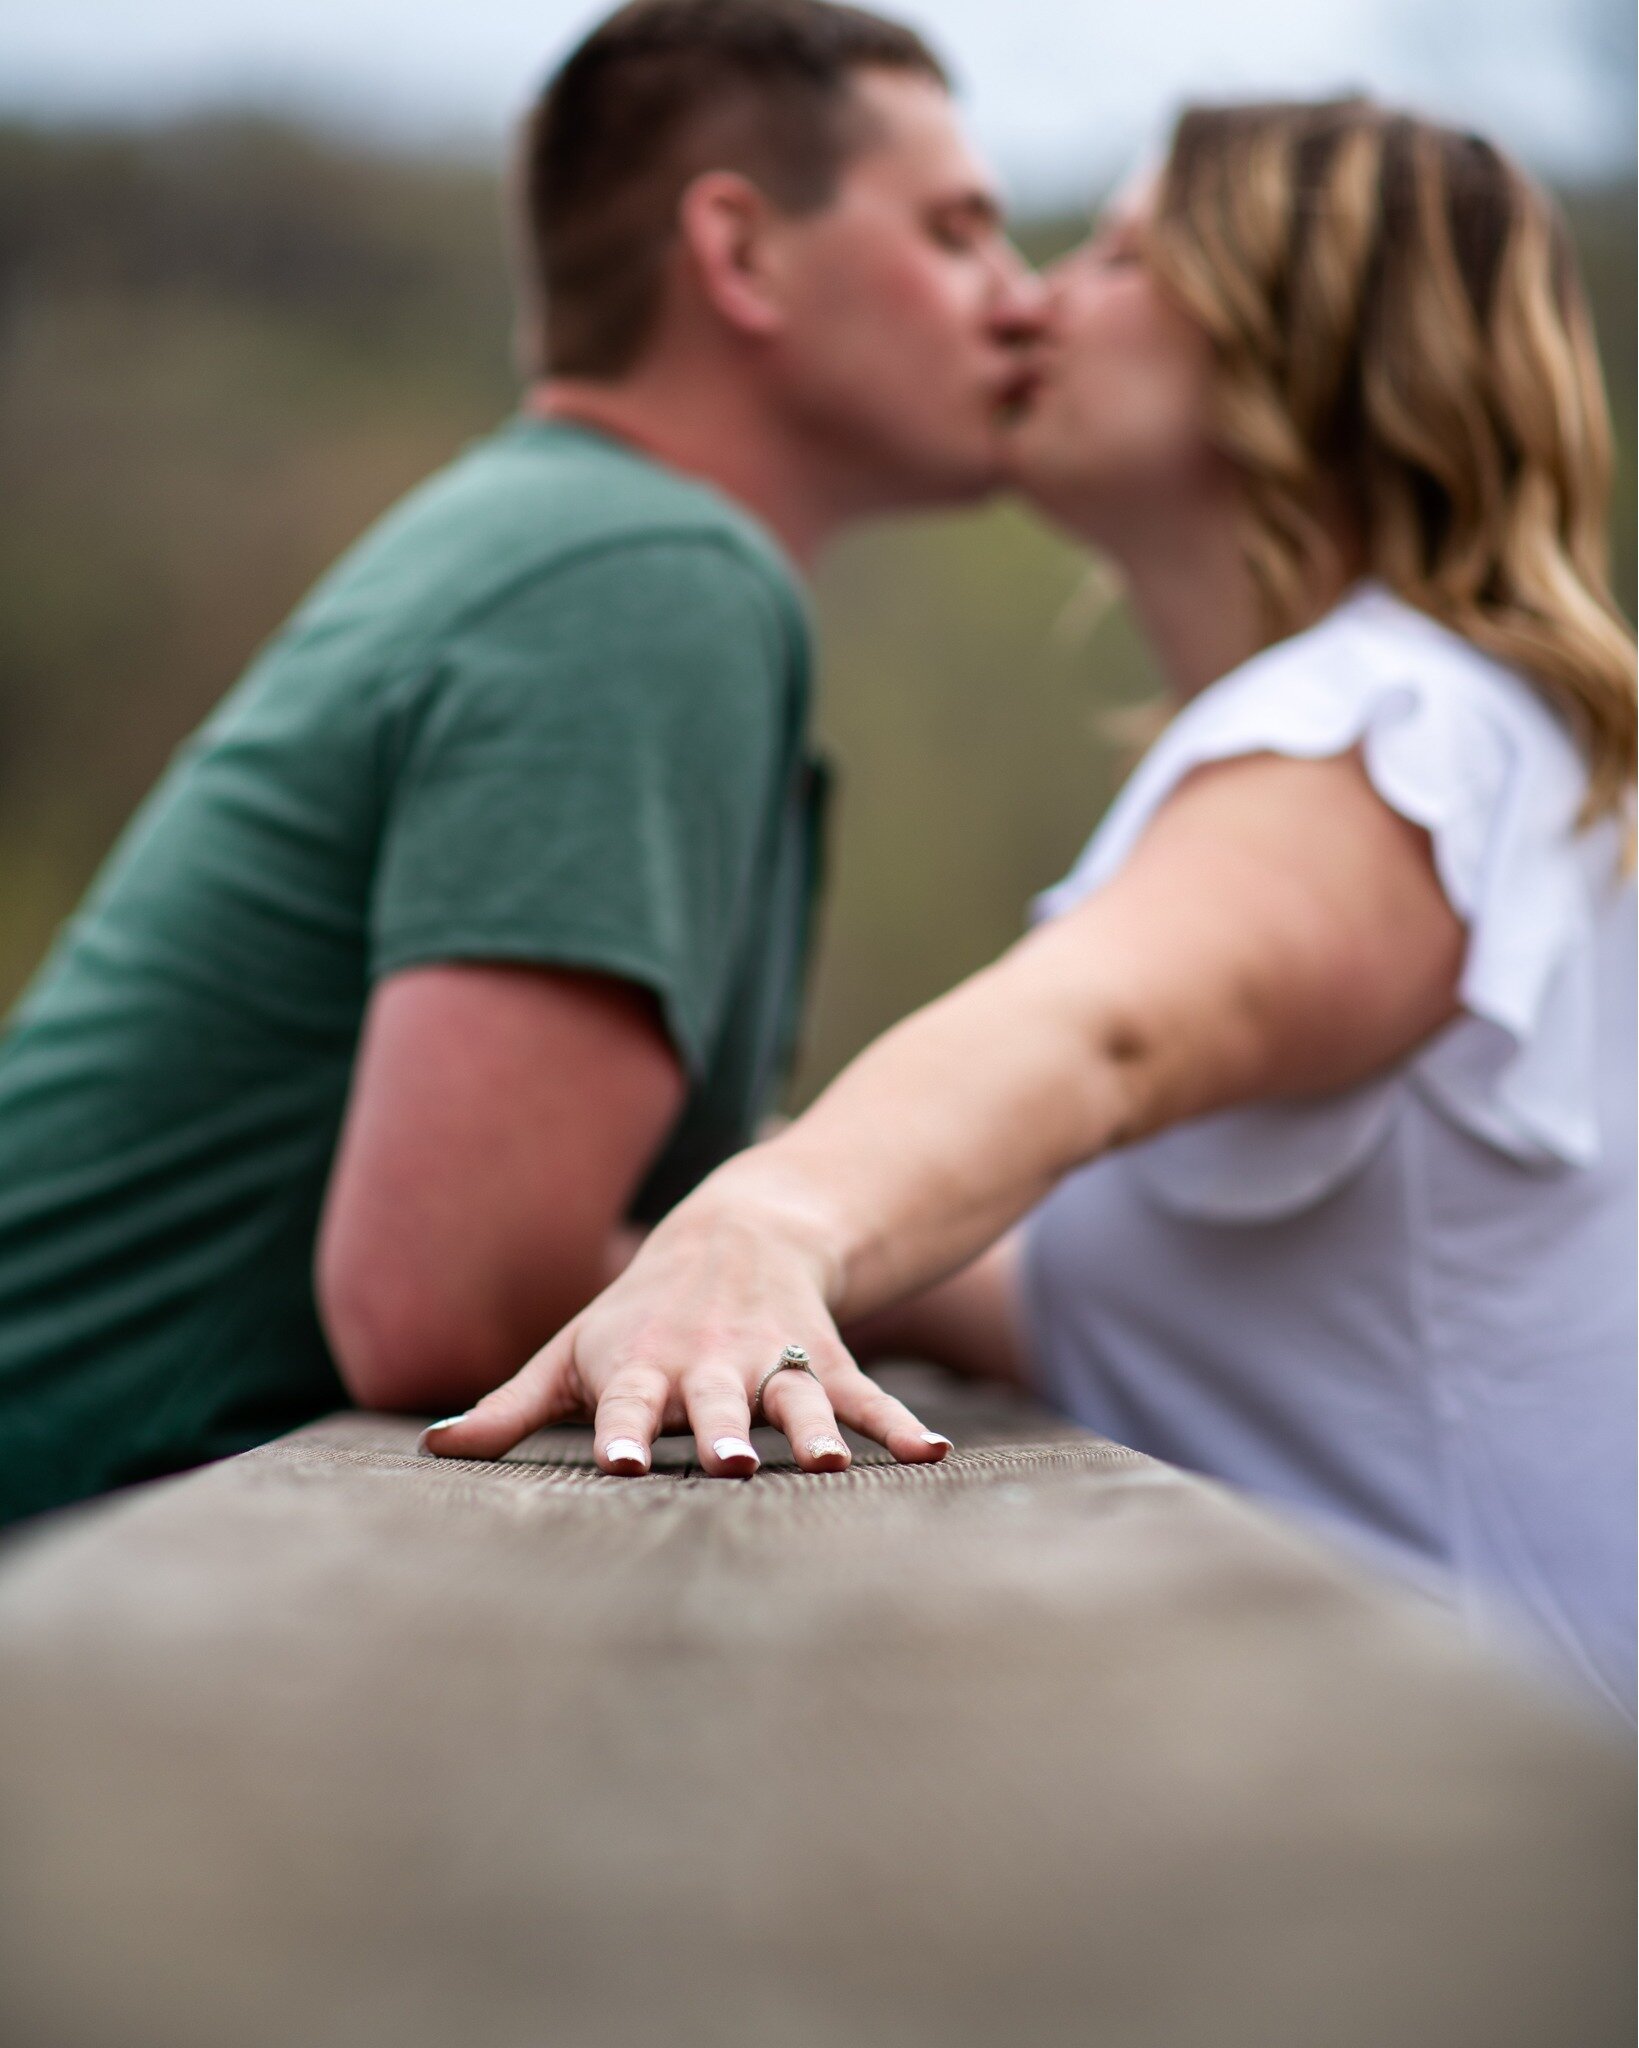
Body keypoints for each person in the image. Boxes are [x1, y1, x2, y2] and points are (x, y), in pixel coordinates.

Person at [429, 100, 1637, 1718]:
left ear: (1310, 339)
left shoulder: (1396, 737)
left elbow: (1100, 1035)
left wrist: (767, 1223)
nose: (1034, 299)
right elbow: (1054, 1283)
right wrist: (564, 1236)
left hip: (1507, 1829)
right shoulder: (1418, 738)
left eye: (1125, 255)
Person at [0, 0, 1043, 1524]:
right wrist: (918, 1293)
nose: (1019, 302)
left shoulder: (573, 538)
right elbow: (446, 1293)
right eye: (958, 233)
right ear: (741, 255)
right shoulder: (639, 573)